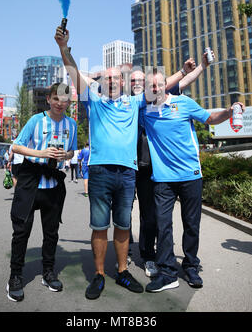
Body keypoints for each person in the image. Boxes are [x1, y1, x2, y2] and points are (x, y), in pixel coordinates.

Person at [54, 26, 186, 300]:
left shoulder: (135, 102)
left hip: (127, 173)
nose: (112, 81)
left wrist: (184, 73)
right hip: (101, 172)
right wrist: (63, 48)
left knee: (124, 225)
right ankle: (100, 274)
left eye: (116, 78)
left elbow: (161, 86)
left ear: (124, 83)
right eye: (108, 78)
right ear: (102, 82)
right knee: (100, 226)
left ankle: (123, 270)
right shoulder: (94, 100)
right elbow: (73, 73)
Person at [139, 68, 245, 292]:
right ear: (148, 89)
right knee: (163, 225)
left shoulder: (184, 103)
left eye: (159, 84)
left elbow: (210, 118)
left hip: (190, 176)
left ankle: (190, 265)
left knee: (191, 224)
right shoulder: (144, 110)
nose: (156, 89)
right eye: (151, 86)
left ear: (165, 84)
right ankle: (168, 272)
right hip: (162, 179)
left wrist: (228, 111)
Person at [131, 52, 215, 278]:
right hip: (140, 167)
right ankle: (148, 256)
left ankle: (171, 260)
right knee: (148, 217)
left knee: (165, 220)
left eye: (142, 81)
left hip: (161, 168)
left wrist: (200, 68)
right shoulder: (134, 104)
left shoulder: (164, 97)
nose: (138, 84)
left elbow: (180, 82)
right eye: (134, 81)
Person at [6, 83, 77, 302]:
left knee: (51, 233)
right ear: (48, 99)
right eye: (56, 98)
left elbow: (73, 150)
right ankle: (15, 277)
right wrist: (41, 152)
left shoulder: (72, 124)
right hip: (30, 181)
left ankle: (48, 272)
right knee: (21, 233)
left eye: (64, 100)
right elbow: (16, 147)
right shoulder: (37, 120)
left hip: (54, 184)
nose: (60, 103)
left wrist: (66, 155)